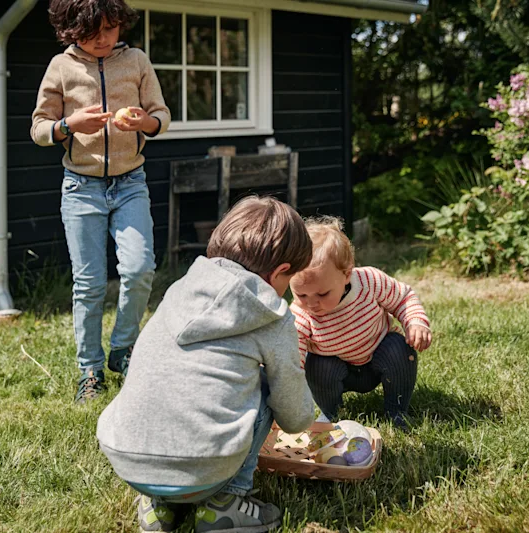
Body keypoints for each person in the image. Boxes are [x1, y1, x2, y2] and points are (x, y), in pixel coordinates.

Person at [97, 196, 316, 533]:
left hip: (127, 459)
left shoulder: (179, 290)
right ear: (281, 272)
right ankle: (225, 503)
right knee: (268, 385)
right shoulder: (272, 315)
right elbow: (295, 415)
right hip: (207, 467)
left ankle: (158, 507)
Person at [30, 0, 170, 402]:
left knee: (140, 268)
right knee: (89, 285)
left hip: (130, 183)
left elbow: (161, 115)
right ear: (71, 30)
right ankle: (90, 370)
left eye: (111, 29)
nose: (105, 39)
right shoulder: (61, 67)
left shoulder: (137, 60)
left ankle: (123, 349)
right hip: (81, 188)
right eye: (94, 33)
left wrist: (144, 122)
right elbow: (39, 129)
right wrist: (68, 125)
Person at [289, 216, 432, 431]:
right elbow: (293, 355)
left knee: (400, 350)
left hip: (377, 356)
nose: (312, 303)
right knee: (316, 365)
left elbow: (403, 298)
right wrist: (287, 387)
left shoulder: (369, 282)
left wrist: (415, 322)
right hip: (337, 367)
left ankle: (397, 410)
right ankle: (331, 413)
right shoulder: (300, 313)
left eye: (322, 293)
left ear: (346, 274)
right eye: (301, 294)